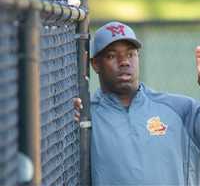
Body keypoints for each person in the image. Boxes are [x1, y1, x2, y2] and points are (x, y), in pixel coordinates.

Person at [74, 21, 200, 186]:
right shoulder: (86, 115)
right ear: (96, 64)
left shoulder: (180, 109)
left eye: (130, 54)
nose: (124, 62)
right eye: (112, 55)